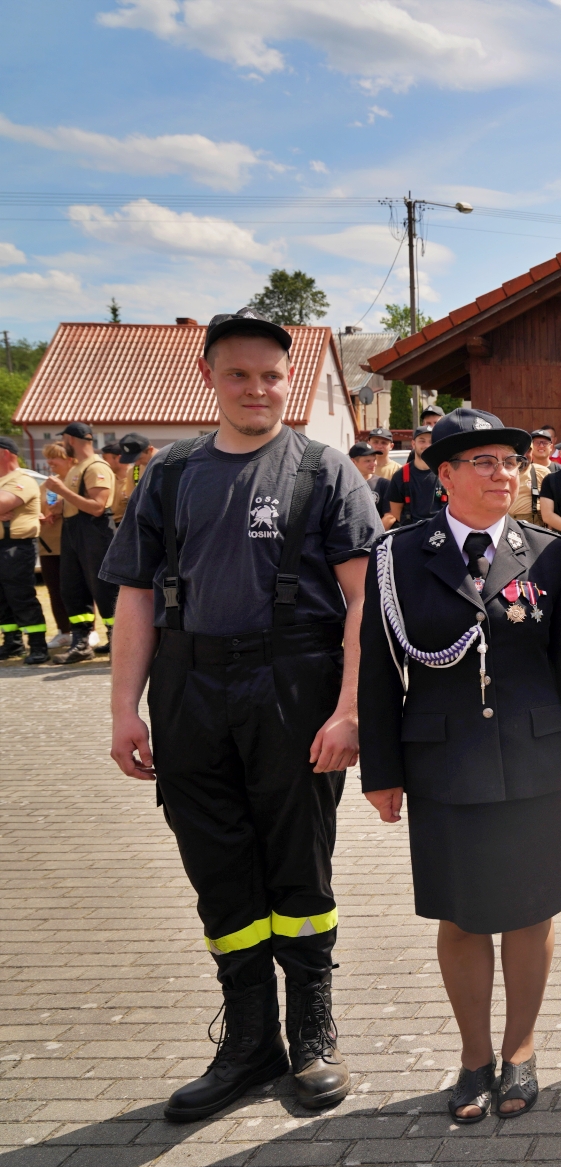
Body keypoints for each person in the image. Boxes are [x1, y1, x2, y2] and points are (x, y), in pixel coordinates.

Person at [101, 307, 382, 1120]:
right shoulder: (171, 472)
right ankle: (249, 1043)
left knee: (300, 865)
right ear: (209, 378)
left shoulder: (326, 472)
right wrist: (125, 708)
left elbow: (363, 599)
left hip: (292, 681)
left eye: (270, 375)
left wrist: (350, 709)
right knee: (219, 869)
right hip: (190, 689)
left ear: (289, 380)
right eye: (238, 374)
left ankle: (312, 1034)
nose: (257, 388)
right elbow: (137, 595)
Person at [359, 406, 561, 1122]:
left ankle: (520, 1051)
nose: (504, 474)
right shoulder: (398, 556)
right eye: (486, 463)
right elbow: (378, 669)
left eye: (512, 463)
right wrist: (381, 770)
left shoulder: (548, 553)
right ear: (446, 475)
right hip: (442, 761)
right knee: (462, 917)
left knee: (530, 911)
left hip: (535, 756)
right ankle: (473, 1058)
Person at [43, 421, 116, 662]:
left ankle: (118, 639)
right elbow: (76, 500)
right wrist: (58, 507)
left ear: (71, 440)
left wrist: (61, 491)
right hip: (73, 531)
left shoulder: (96, 466)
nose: (63, 444)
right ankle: (81, 642)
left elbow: (97, 507)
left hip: (94, 532)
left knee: (103, 588)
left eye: (64, 440)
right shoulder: (77, 468)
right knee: (72, 588)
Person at [0, 436, 50, 664]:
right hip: (4, 545)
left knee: (20, 595)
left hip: (16, 546)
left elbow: (2, 503)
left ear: (5, 453)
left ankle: (38, 645)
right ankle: (12, 642)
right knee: (1, 597)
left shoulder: (22, 479)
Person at [37, 442, 73, 645]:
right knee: (54, 590)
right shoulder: (49, 483)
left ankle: (88, 631)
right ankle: (63, 631)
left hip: (70, 545)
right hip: (49, 546)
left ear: (69, 459)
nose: (49, 462)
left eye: (54, 457)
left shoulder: (75, 480)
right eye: (48, 457)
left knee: (77, 589)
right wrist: (41, 514)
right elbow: (40, 505)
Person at [387, 427, 443, 529]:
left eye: (431, 441)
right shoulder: (400, 475)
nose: (427, 445)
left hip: (441, 529)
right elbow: (396, 511)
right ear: (413, 444)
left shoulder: (446, 472)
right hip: (412, 531)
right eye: (422, 441)